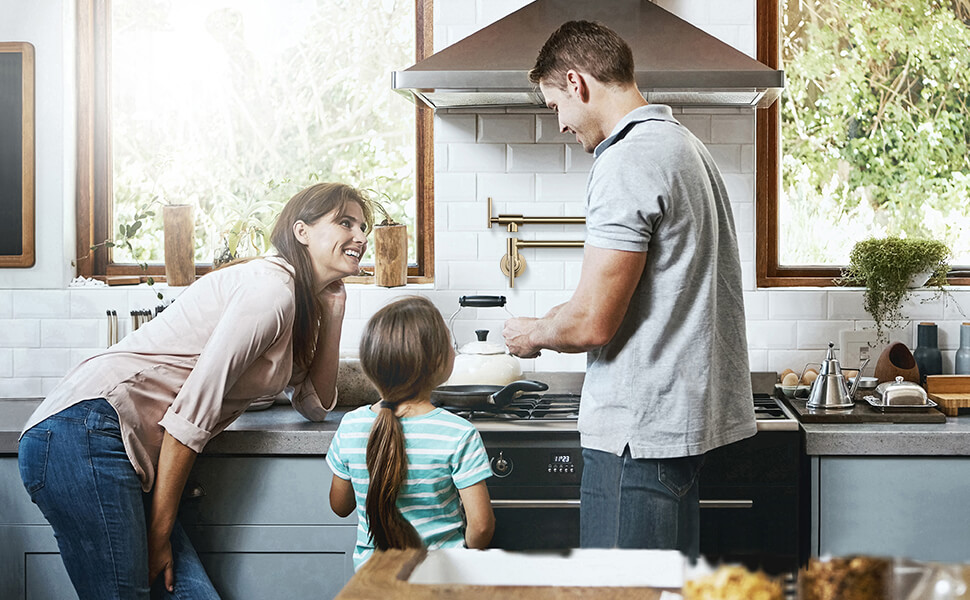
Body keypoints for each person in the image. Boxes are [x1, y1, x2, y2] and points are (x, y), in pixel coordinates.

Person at [17, 182, 372, 599]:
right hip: (85, 432)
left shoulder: (296, 300)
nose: (361, 237)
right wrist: (160, 533)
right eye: (345, 222)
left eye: (364, 226)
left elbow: (314, 404)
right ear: (301, 231)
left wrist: (334, 314)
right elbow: (189, 416)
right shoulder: (270, 291)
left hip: (125, 450)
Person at [502, 21, 756, 557]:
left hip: (635, 436)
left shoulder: (627, 158)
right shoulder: (683, 146)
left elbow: (594, 321)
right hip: (674, 431)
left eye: (554, 107)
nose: (561, 126)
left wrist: (533, 334)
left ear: (576, 83)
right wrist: (559, 315)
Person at [327, 295, 495, 569]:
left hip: (373, 580)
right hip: (440, 580)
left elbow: (340, 505)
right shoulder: (458, 433)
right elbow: (481, 527)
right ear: (439, 362)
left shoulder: (351, 426)